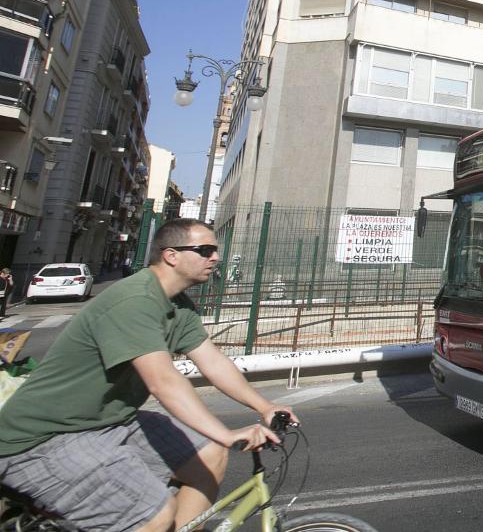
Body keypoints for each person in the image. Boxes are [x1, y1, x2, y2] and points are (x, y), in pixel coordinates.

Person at [0, 218, 297, 532]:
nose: (216, 258)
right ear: (171, 255)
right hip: (44, 439)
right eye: (205, 250)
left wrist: (263, 407)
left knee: (210, 455)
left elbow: (213, 362)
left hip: (110, 423)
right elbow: (163, 382)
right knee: (154, 517)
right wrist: (227, 433)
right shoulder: (135, 301)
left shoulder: (178, 305)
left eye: (215, 250)